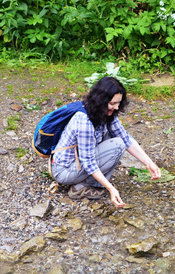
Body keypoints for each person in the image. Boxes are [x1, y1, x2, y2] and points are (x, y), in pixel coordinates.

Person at [51, 76, 161, 208]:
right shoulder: (84, 120)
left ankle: (92, 183)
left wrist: (149, 163)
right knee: (117, 145)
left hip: (77, 162)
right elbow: (88, 162)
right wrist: (111, 189)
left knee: (117, 139)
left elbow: (126, 138)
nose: (116, 107)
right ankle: (81, 187)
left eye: (119, 103)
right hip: (64, 170)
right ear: (101, 101)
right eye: (113, 103)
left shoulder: (106, 114)